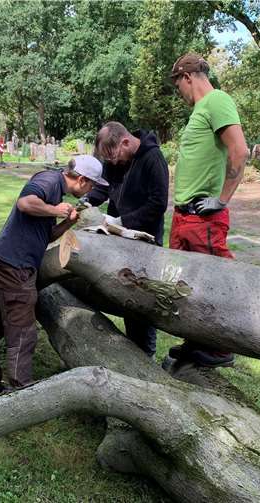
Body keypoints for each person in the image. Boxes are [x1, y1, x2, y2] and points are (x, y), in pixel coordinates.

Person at [0, 155, 108, 399]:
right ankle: (20, 394)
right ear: (82, 179)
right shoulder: (49, 181)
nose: (92, 190)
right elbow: (25, 203)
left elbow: (44, 236)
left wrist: (66, 223)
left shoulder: (55, 190)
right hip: (14, 266)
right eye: (92, 185)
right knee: (23, 332)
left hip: (2, 259)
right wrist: (55, 209)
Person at [167, 53, 249, 368]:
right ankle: (196, 341)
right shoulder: (202, 109)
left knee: (215, 281)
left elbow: (239, 150)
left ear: (187, 77)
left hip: (204, 216)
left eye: (178, 87)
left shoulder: (217, 100)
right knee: (186, 284)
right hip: (184, 215)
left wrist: (223, 199)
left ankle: (220, 348)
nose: (180, 94)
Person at [89, 121, 169, 356]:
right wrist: (85, 203)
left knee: (143, 299)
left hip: (145, 240)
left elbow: (158, 204)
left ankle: (147, 354)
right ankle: (133, 352)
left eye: (114, 158)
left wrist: (122, 221)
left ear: (125, 141)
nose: (113, 163)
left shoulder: (153, 158)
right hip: (119, 237)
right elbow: (103, 188)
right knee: (125, 295)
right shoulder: (114, 158)